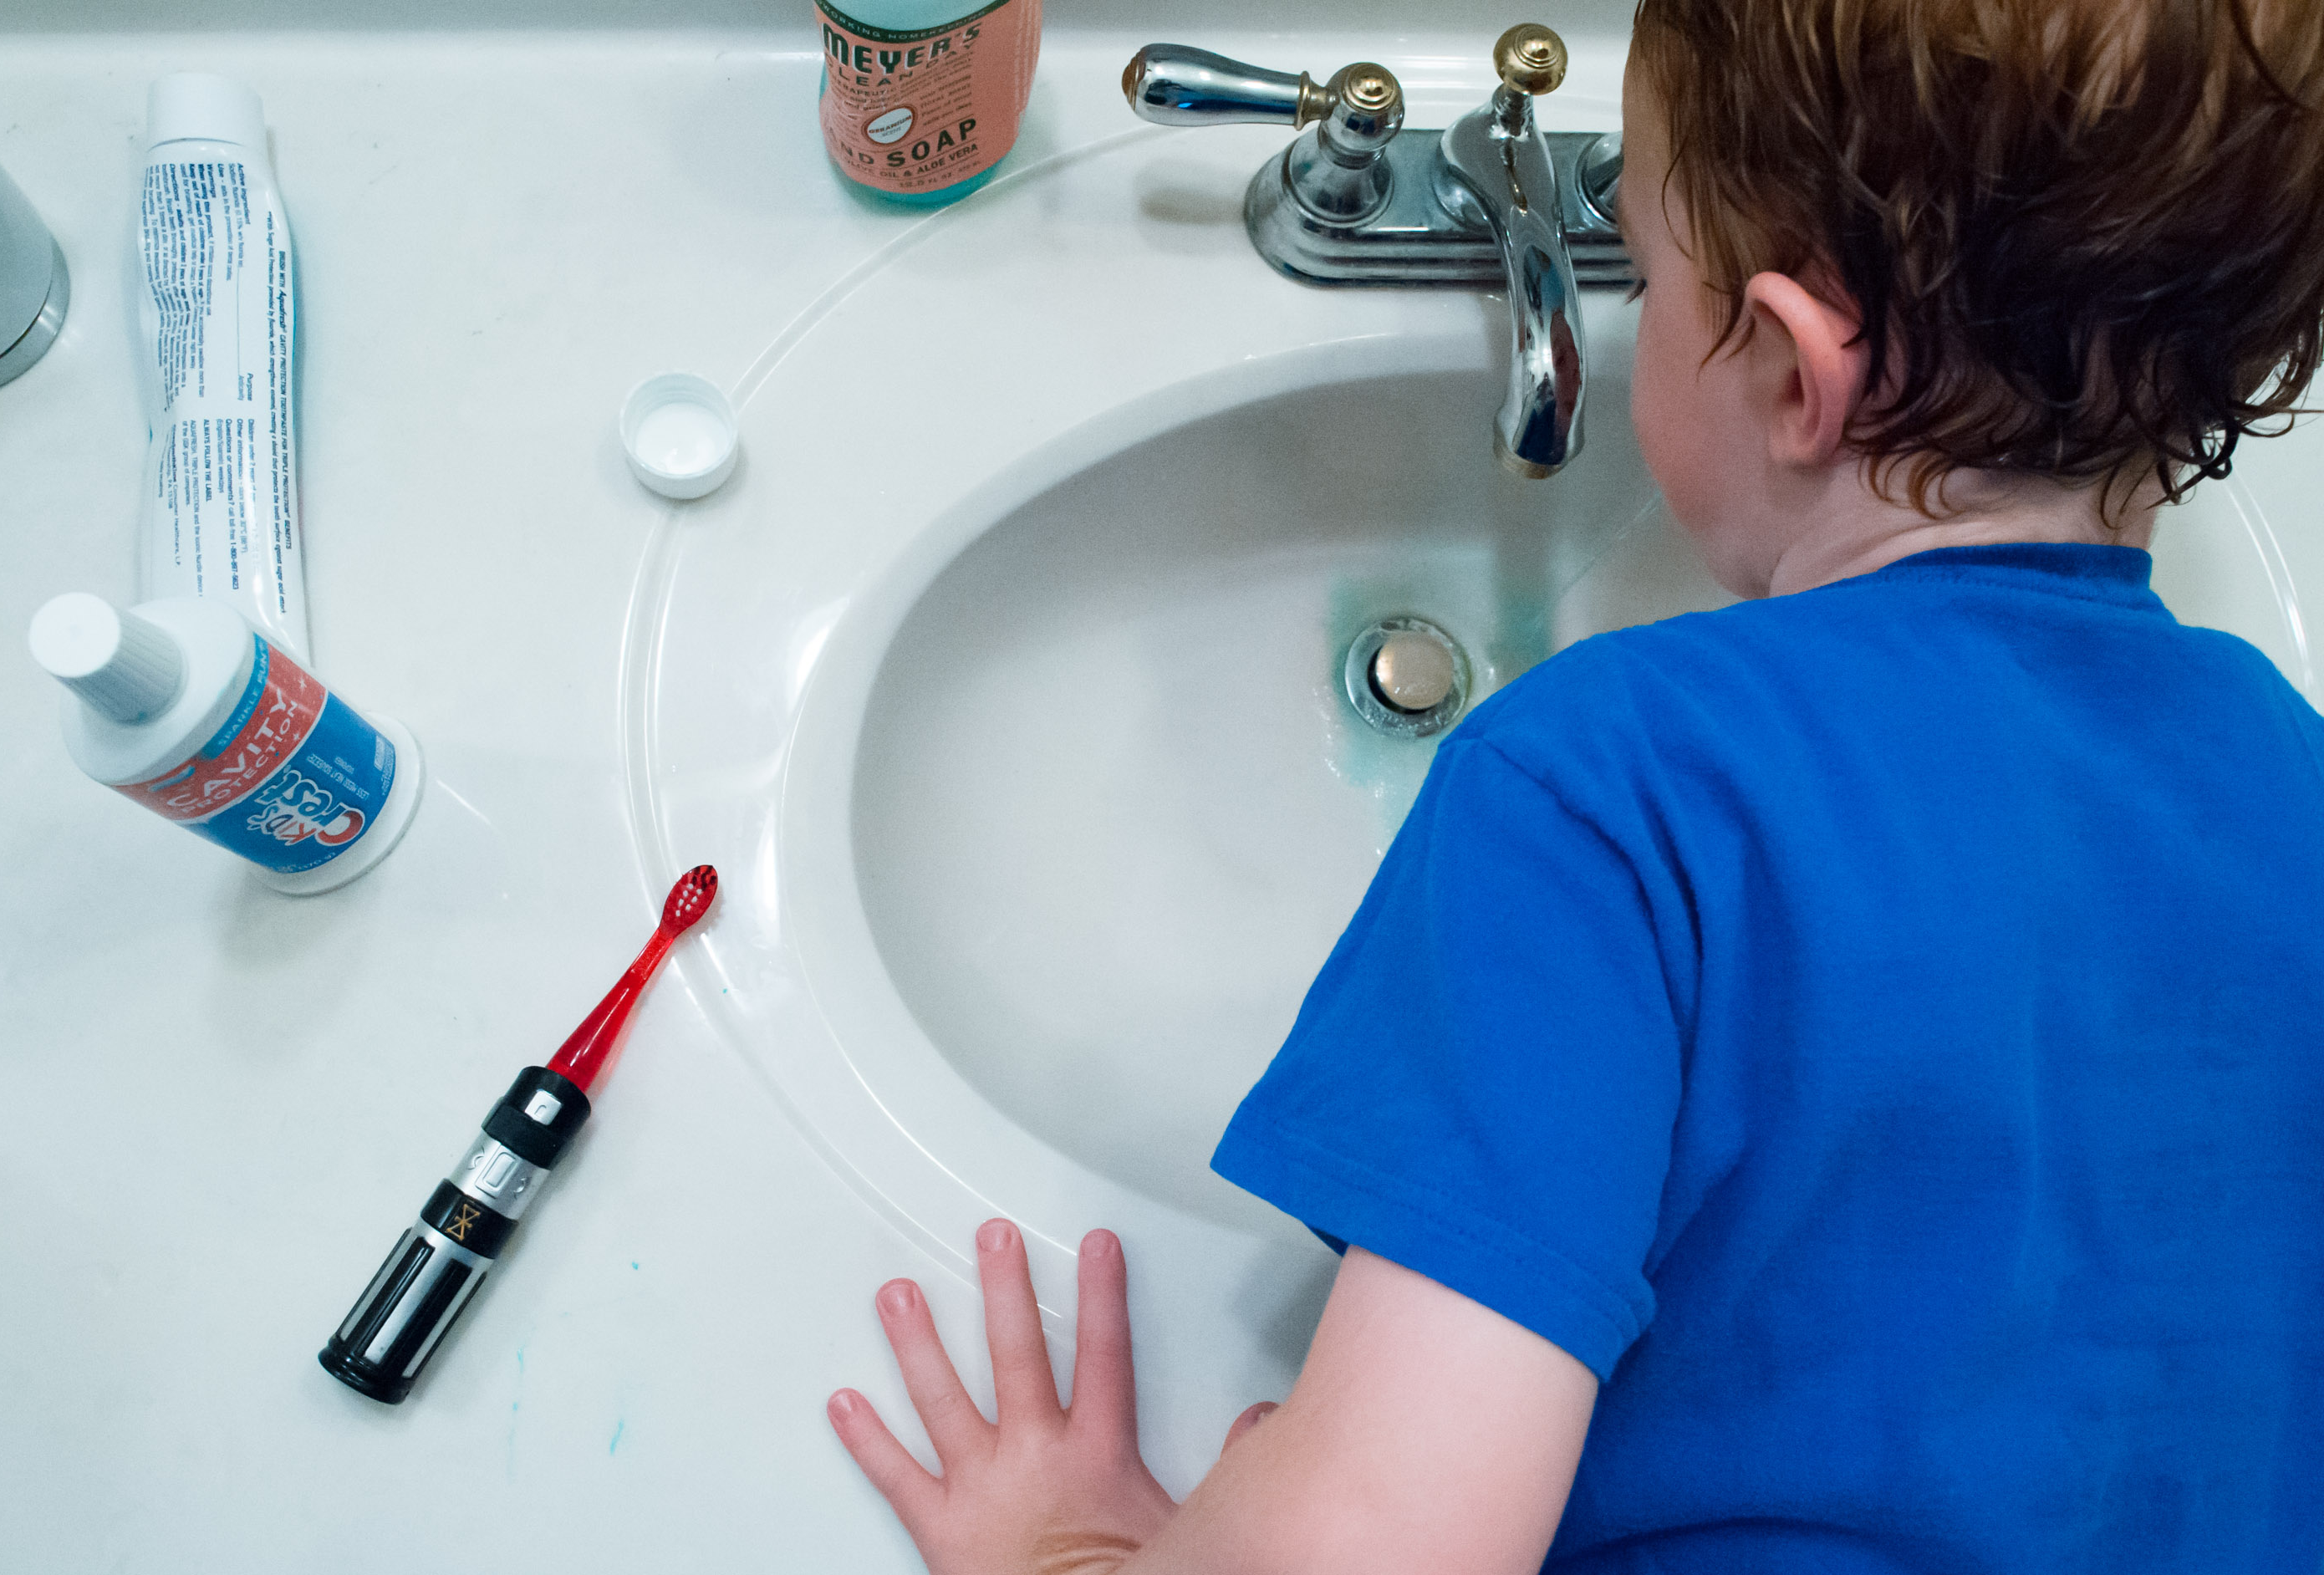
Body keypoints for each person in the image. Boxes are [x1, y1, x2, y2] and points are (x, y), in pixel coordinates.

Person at [825, 0, 2324, 1568]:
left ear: (1799, 371)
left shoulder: (1613, 786)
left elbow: (1377, 1545)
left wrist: (1067, 1557)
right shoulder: (2293, 777)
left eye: (1645, 272)